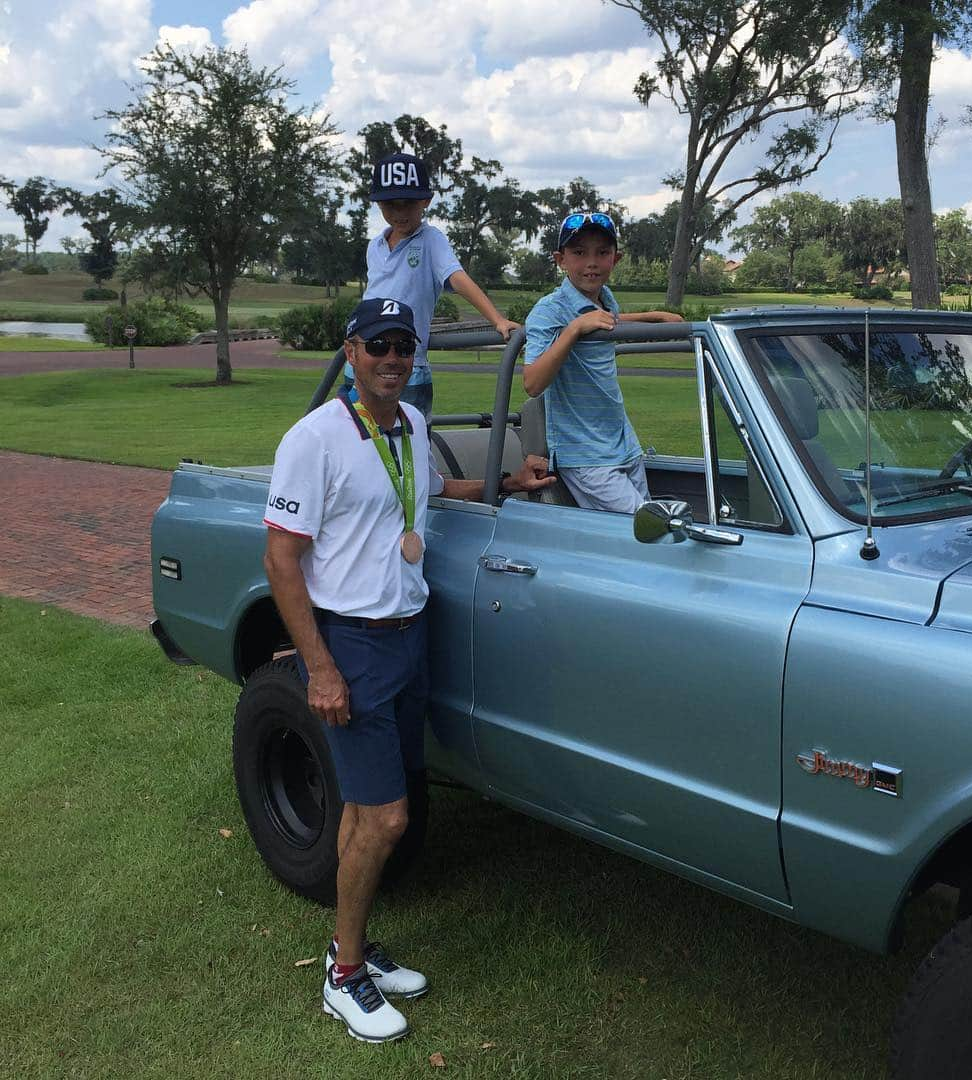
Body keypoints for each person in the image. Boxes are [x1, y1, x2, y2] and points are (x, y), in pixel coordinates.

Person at [263, 297, 553, 1045]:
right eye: (379, 345)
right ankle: (344, 977)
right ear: (352, 351)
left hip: (408, 633)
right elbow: (282, 559)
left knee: (369, 811)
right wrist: (321, 668)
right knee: (387, 818)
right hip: (353, 645)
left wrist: (503, 487)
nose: (393, 358)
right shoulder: (314, 438)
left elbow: (418, 495)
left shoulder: (412, 426)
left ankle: (348, 948)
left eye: (404, 346)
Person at [522, 211, 684, 514]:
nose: (591, 262)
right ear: (560, 259)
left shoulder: (605, 300)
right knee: (648, 528)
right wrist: (573, 330)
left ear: (616, 259)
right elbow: (532, 383)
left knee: (646, 530)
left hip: (623, 442)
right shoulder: (549, 311)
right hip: (584, 452)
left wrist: (652, 317)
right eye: (579, 253)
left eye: (602, 252)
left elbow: (609, 321)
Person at [343, 152, 520, 420]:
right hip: (365, 356)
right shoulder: (375, 246)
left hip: (406, 363)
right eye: (391, 204)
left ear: (425, 201)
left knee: (411, 438)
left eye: (408, 203)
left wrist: (497, 319)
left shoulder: (430, 240)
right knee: (352, 430)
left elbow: (457, 278)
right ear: (379, 204)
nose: (400, 212)